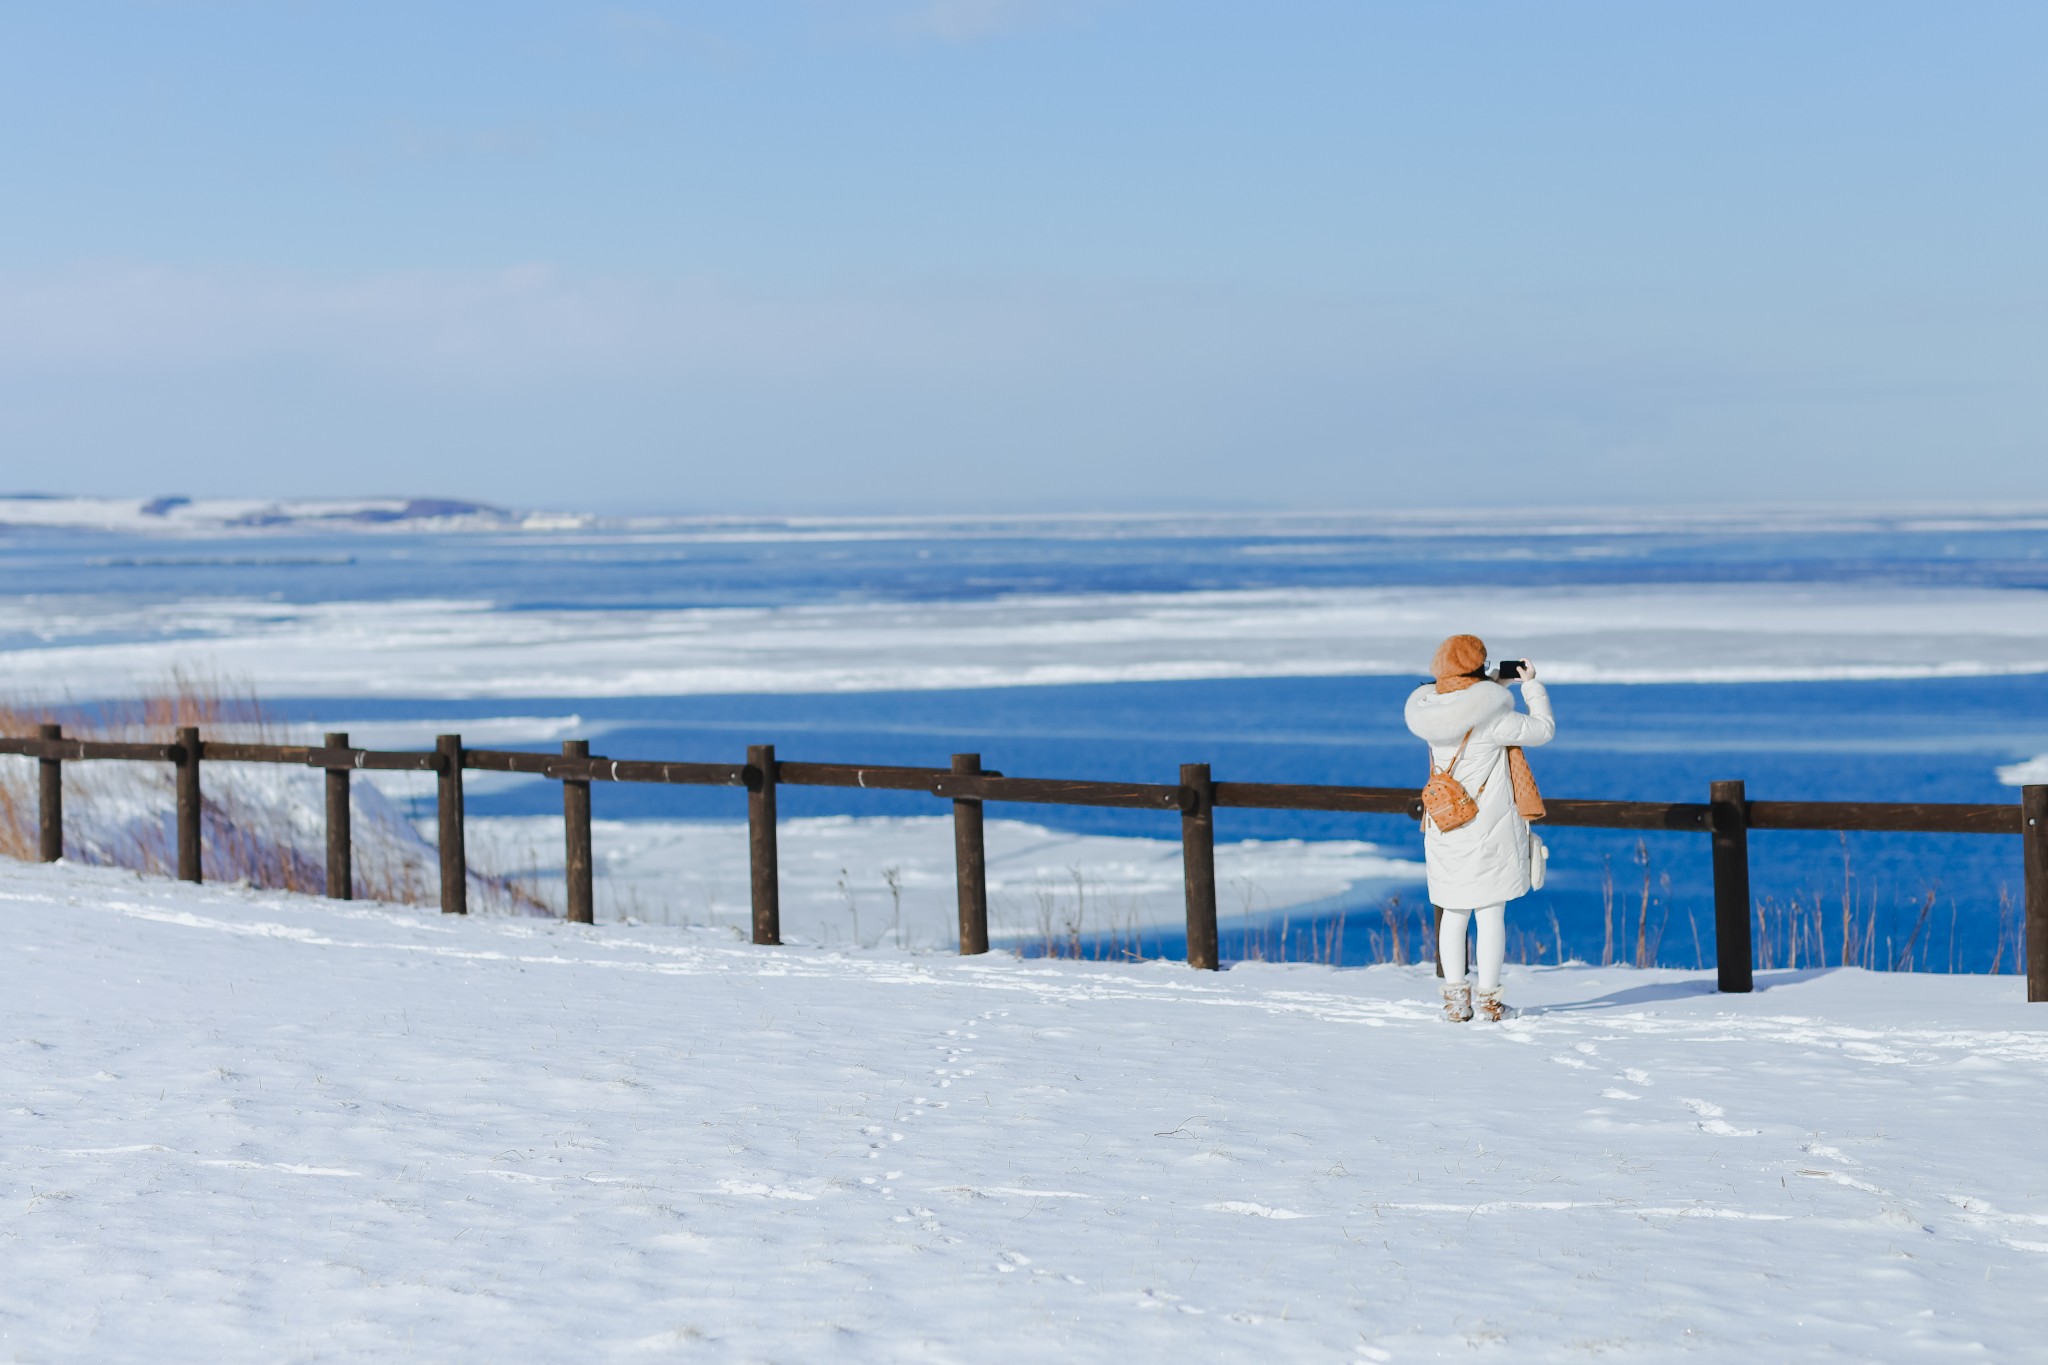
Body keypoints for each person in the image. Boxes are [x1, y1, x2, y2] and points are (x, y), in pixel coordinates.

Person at [1404, 634, 1555, 1022]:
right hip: (1488, 832)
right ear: (1479, 667)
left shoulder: (1428, 712)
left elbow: (1466, 698)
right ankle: (1489, 1002)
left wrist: (1492, 683)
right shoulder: (1493, 719)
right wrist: (1531, 685)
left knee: (1453, 913)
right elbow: (1542, 730)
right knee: (1490, 915)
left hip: (1445, 829)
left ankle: (1456, 1002)